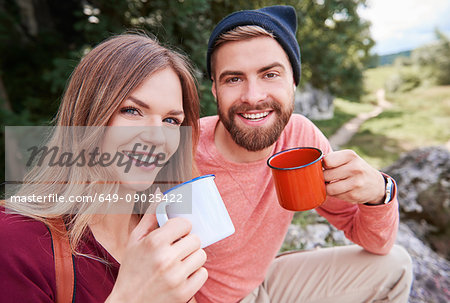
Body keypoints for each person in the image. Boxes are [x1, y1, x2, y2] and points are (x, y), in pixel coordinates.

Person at [194, 5, 413, 303]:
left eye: (270, 74)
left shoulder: (302, 138)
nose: (254, 96)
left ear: (293, 83)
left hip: (264, 284)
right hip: (203, 297)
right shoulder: (182, 148)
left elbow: (376, 243)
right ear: (215, 90)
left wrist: (379, 194)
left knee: (395, 267)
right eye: (233, 79)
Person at [0, 33, 208, 302]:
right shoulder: (16, 240)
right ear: (88, 114)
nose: (157, 138)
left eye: (171, 120)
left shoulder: (167, 239)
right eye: (132, 111)